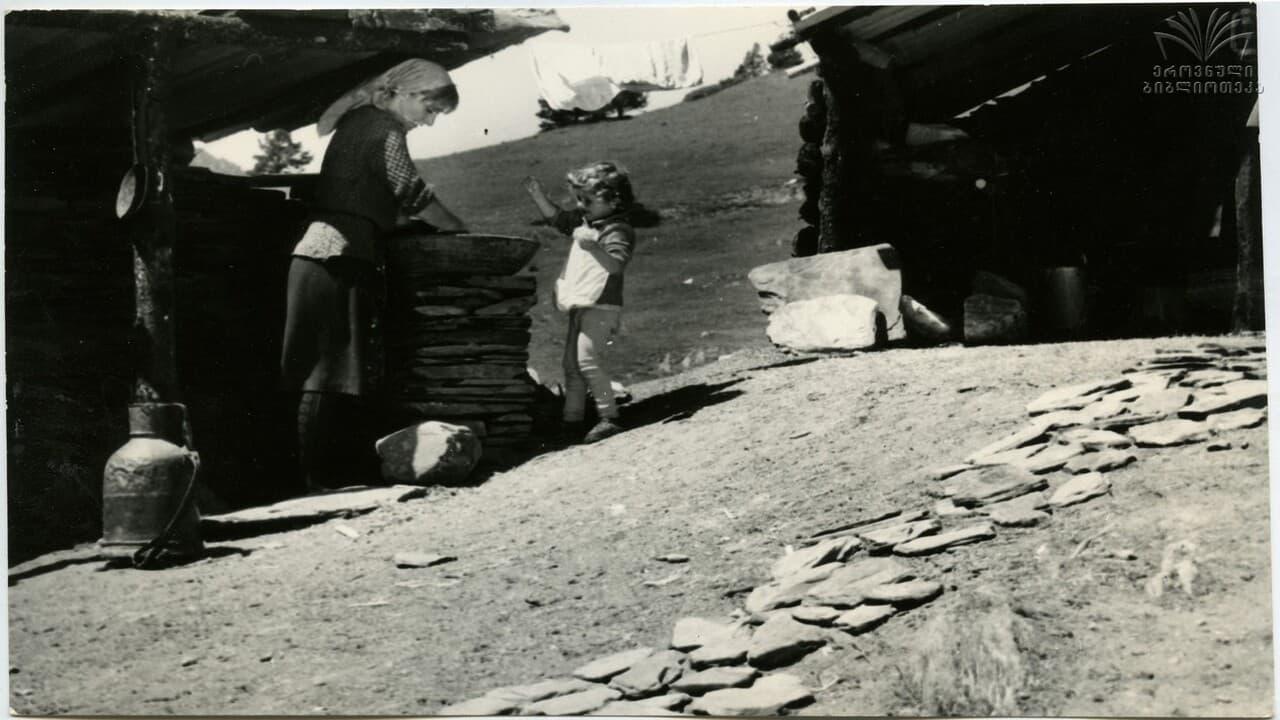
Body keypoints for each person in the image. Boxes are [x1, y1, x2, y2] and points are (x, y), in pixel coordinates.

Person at [280, 59, 466, 491]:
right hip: (337, 254)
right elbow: (410, 190)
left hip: (325, 253)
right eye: (431, 109)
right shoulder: (383, 127)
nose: (431, 121)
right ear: (410, 95)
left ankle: (318, 476)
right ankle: (318, 480)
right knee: (327, 373)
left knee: (324, 370)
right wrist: (455, 226)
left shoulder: (360, 122)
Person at [523, 162, 638, 444]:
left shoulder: (617, 230)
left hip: (601, 306)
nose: (581, 205)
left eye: (588, 200)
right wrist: (538, 196)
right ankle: (572, 420)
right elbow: (560, 220)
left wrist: (594, 247)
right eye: (579, 199)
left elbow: (616, 266)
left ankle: (608, 417)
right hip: (581, 303)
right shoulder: (589, 224)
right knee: (571, 364)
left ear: (614, 200)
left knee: (586, 360)